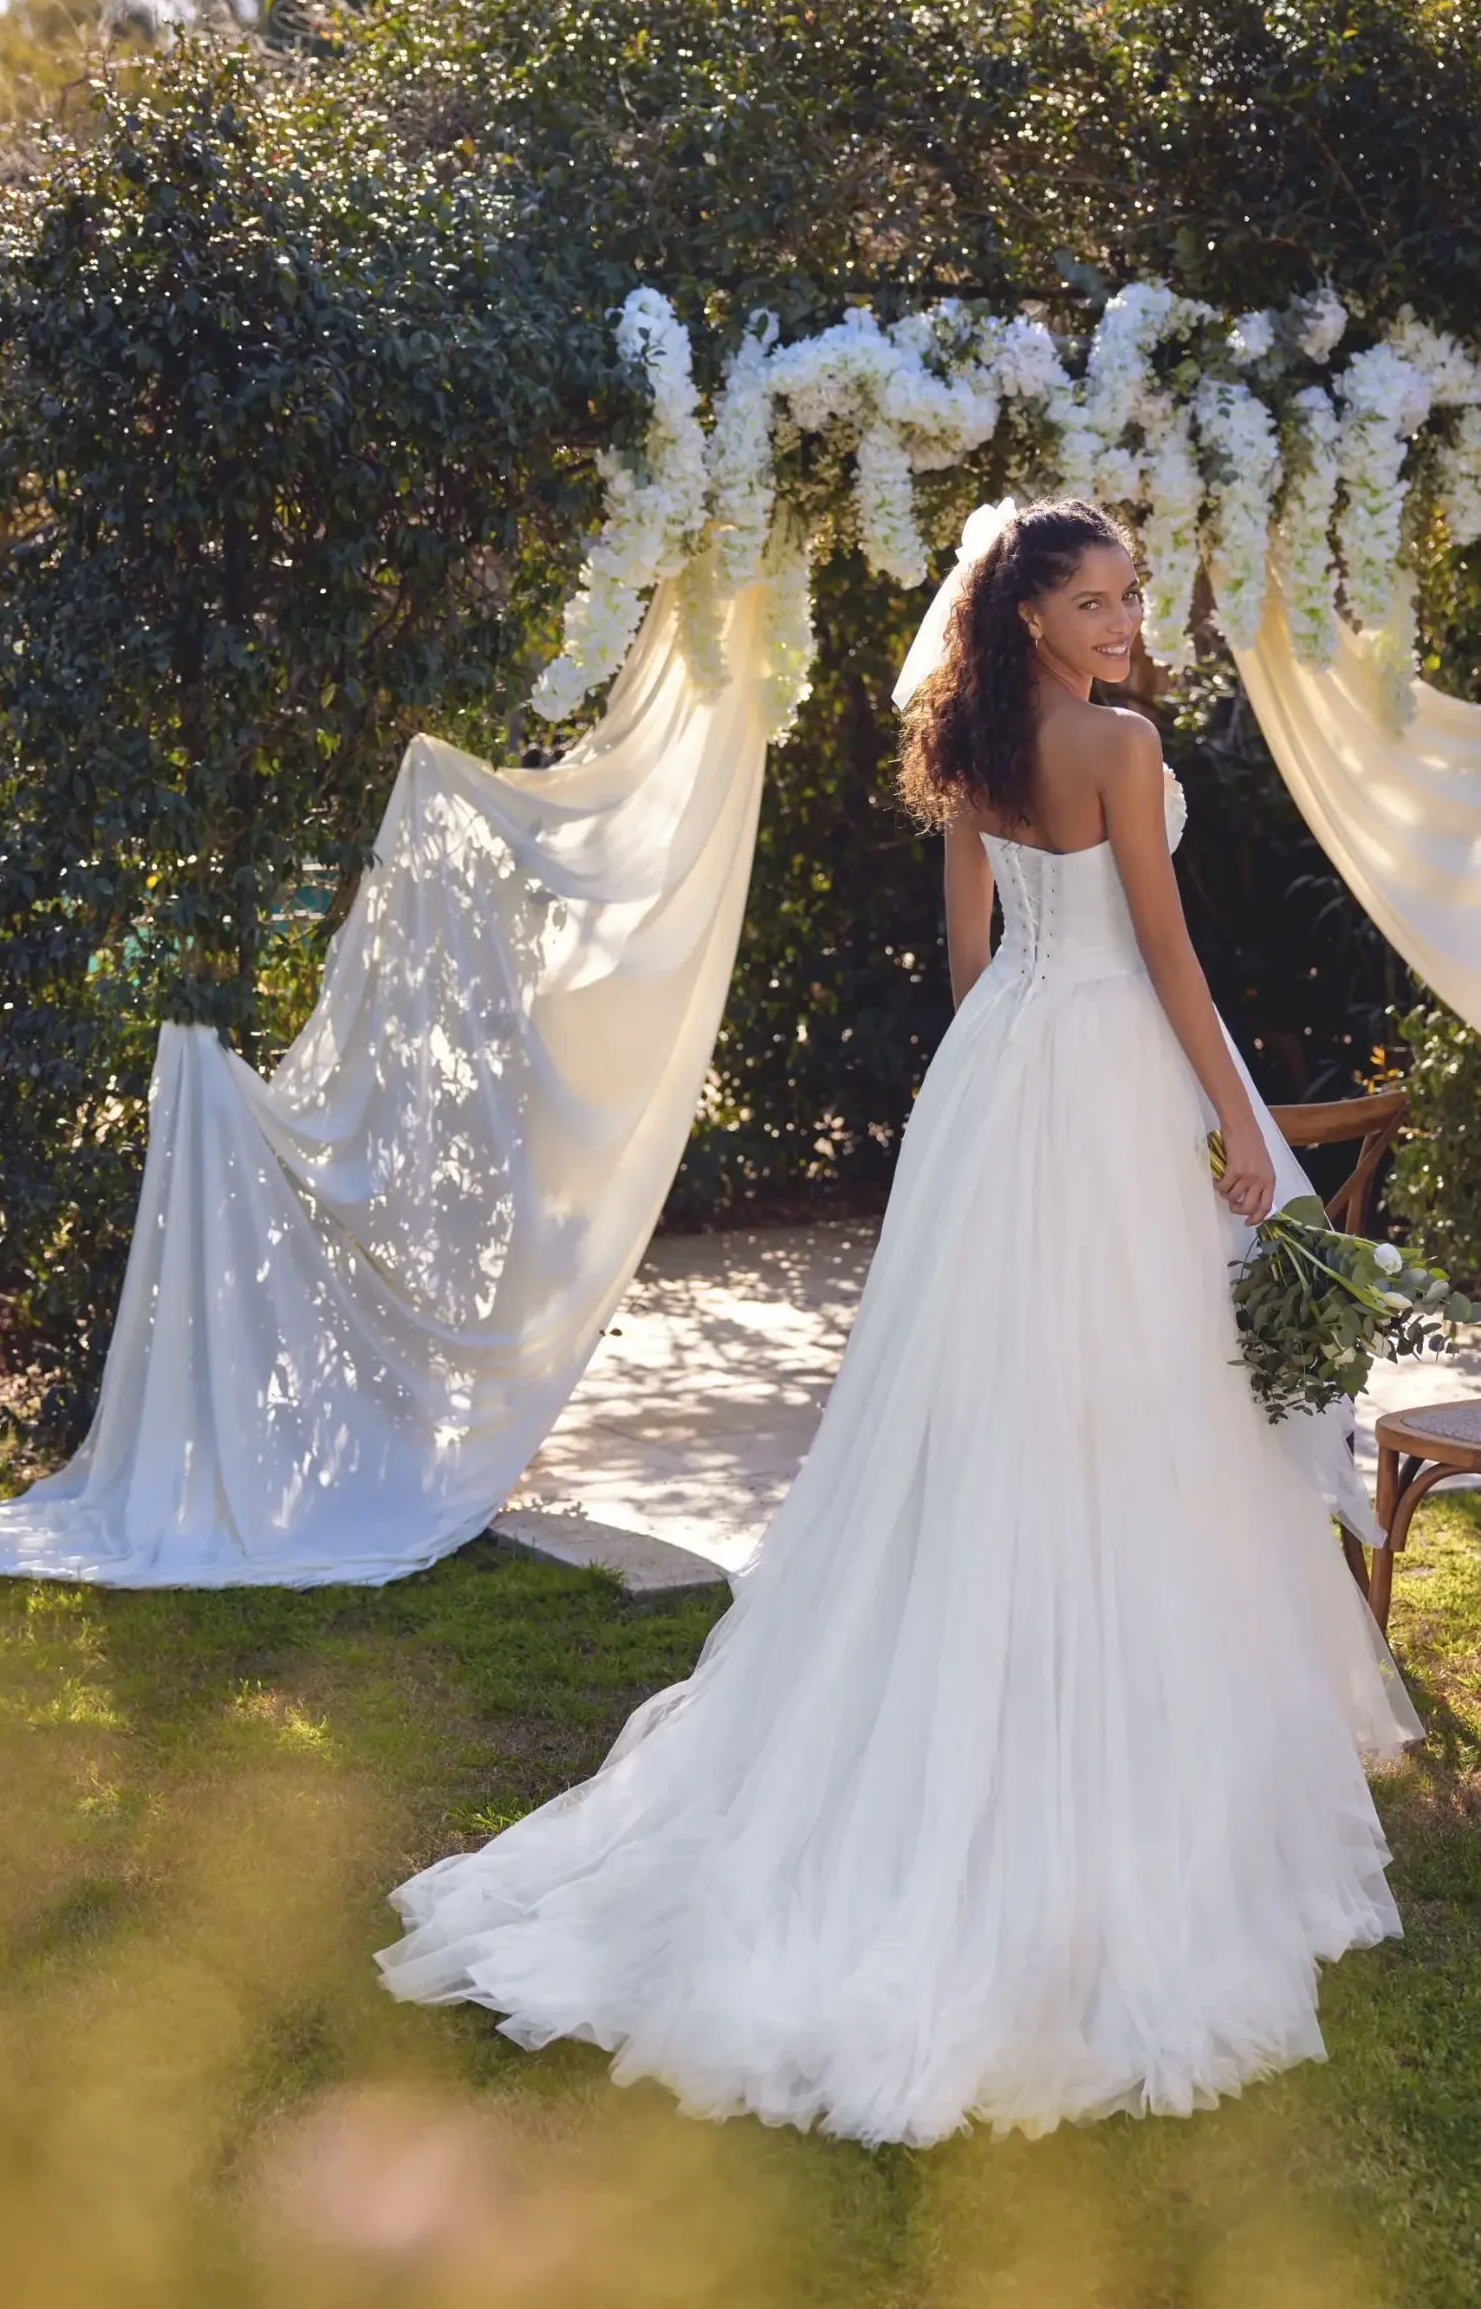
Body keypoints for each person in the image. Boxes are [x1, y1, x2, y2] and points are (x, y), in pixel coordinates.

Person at [376, 496, 1419, 2148]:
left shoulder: (976, 741)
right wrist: (1238, 1131)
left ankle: (998, 1713)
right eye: (1097, 600)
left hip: (1005, 1075)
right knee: (1134, 1404)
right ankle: (1121, 1775)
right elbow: (1165, 953)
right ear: (1027, 617)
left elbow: (969, 948)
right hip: (1101, 1064)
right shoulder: (1119, 746)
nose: (1128, 621)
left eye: (1131, 596)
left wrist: (999, 1062)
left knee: (999, 1406)